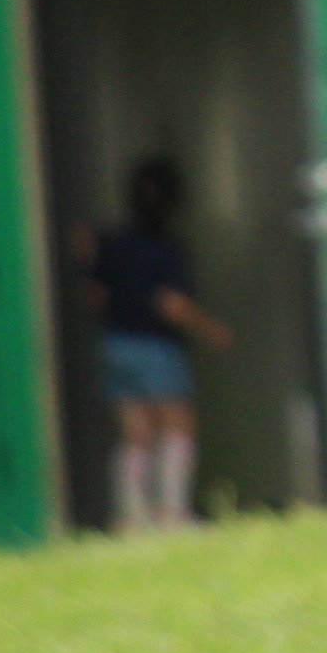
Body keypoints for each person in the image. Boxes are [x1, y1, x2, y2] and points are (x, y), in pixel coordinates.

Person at [89, 157, 230, 533]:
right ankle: (172, 510)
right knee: (178, 427)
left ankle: (129, 515)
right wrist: (208, 327)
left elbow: (97, 295)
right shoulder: (167, 249)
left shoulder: (111, 244)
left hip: (116, 343)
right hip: (155, 345)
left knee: (134, 434)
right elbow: (172, 304)